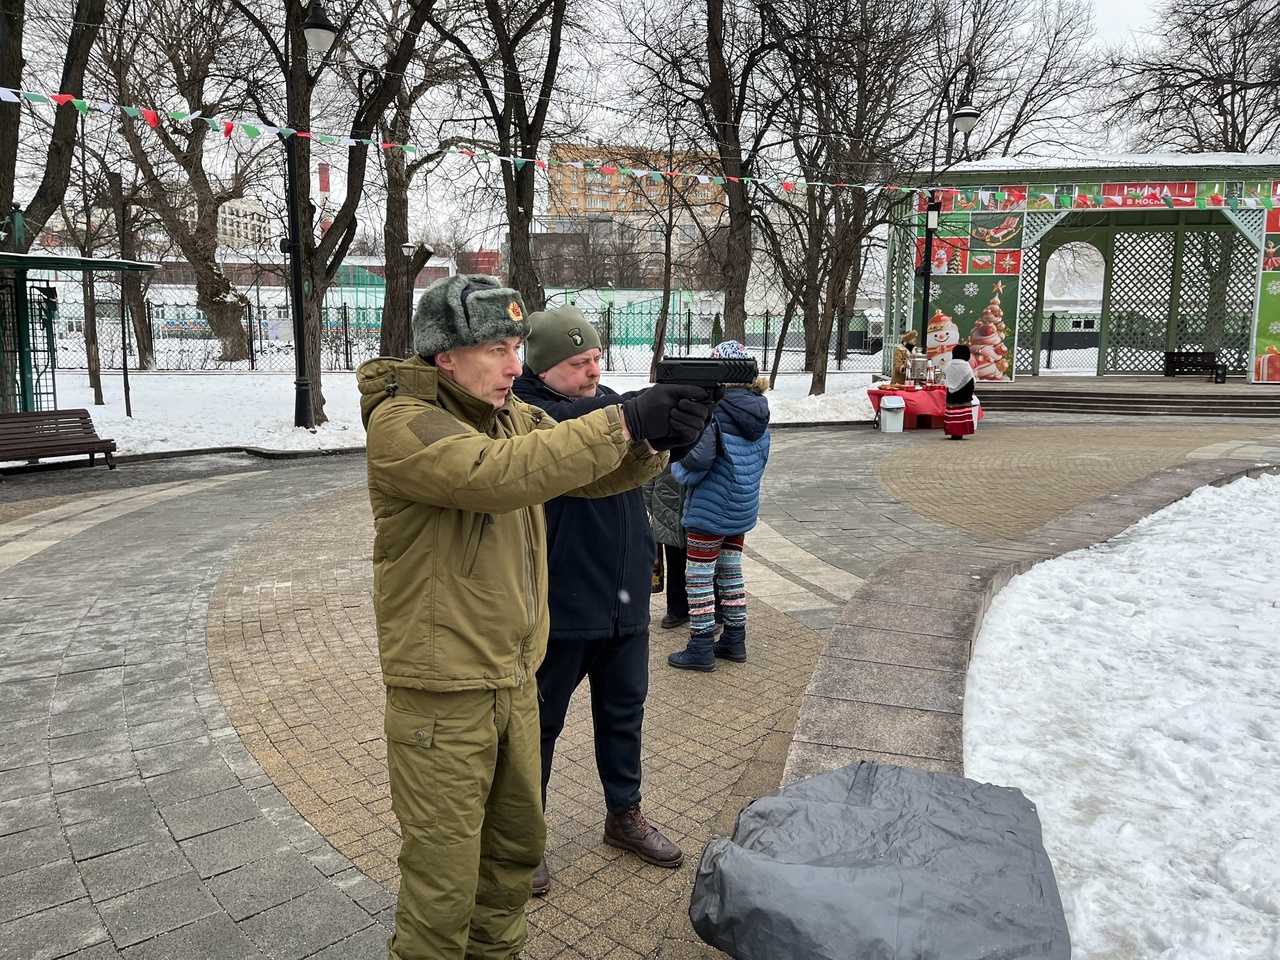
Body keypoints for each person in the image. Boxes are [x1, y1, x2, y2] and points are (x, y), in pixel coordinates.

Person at [357, 275, 718, 960]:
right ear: (446, 356)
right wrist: (627, 420)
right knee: (443, 888)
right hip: (444, 695)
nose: (515, 367)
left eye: (517, 347)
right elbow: (497, 475)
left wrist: (655, 440)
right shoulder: (404, 424)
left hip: (514, 677)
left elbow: (584, 471)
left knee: (510, 865)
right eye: (498, 349)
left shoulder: (511, 416)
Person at [511, 305, 690, 897]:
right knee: (538, 727)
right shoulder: (525, 418)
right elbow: (566, 425)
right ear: (542, 367)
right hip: (560, 606)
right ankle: (523, 837)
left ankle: (624, 816)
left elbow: (630, 446)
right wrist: (632, 414)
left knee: (624, 716)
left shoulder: (608, 402)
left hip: (625, 600)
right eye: (578, 362)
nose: (593, 372)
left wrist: (675, 426)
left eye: (596, 358)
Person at [667, 340, 771, 672]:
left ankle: (700, 646)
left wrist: (675, 467)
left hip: (709, 511)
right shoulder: (759, 411)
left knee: (698, 576)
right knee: (730, 571)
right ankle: (734, 639)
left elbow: (697, 463)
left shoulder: (716, 412)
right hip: (741, 508)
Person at [943, 342, 977, 440]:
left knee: (952, 415)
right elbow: (970, 379)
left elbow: (946, 376)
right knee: (961, 415)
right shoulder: (965, 365)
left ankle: (952, 432)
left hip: (951, 396)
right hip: (963, 396)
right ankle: (960, 432)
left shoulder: (949, 364)